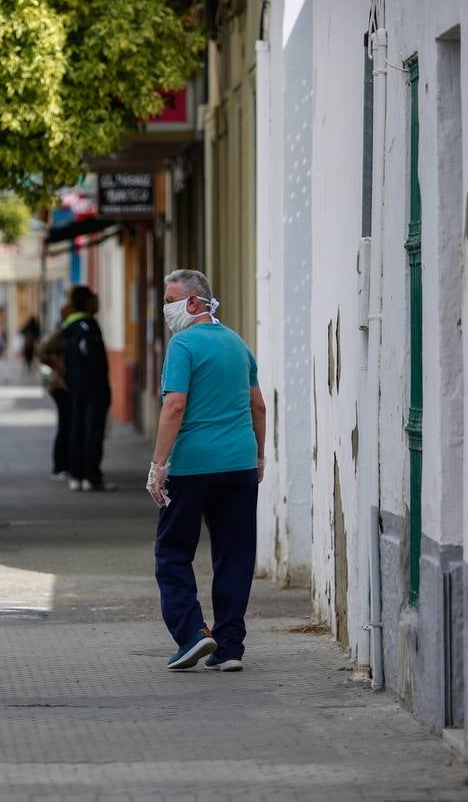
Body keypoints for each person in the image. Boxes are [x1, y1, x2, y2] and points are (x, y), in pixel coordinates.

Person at [147, 270, 266, 673]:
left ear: (194, 303)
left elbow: (174, 405)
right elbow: (259, 405)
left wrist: (158, 466)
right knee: (234, 554)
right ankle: (229, 646)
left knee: (172, 552)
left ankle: (193, 634)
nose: (166, 309)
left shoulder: (183, 345)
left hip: (193, 466)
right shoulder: (237, 343)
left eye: (170, 300)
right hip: (239, 465)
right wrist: (260, 457)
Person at [61, 286, 114, 491]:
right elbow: (96, 360)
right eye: (93, 300)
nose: (96, 303)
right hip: (93, 388)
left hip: (75, 387)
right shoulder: (88, 325)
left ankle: (76, 474)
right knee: (92, 431)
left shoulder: (68, 326)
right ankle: (92, 476)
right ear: (86, 302)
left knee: (77, 429)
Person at [38, 304, 73, 480]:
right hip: (61, 386)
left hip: (62, 385)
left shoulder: (66, 332)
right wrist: (59, 367)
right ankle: (60, 466)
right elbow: (42, 352)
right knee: (65, 426)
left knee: (67, 426)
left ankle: (65, 465)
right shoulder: (63, 333)